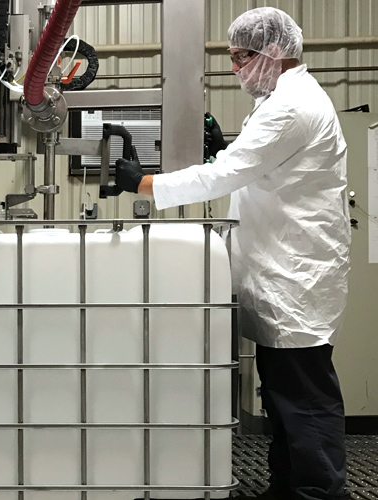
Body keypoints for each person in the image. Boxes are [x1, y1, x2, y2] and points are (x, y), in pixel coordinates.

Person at [115, 7, 351, 500]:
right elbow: (257, 165)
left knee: (304, 398)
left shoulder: (291, 106)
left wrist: (145, 183)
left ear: (273, 52)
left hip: (295, 277)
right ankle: (291, 486)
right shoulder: (281, 99)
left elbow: (227, 175)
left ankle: (321, 494)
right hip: (281, 271)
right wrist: (227, 146)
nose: (235, 68)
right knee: (286, 397)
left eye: (241, 57)